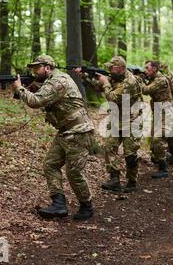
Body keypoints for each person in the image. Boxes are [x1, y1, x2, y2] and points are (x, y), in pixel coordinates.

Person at [12, 55, 95, 220]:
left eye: (37, 67)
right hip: (65, 131)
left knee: (74, 172)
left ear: (48, 67)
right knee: (50, 164)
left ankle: (87, 206)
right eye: (33, 68)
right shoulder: (50, 82)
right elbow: (44, 96)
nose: (34, 71)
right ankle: (59, 204)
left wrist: (20, 88)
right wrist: (29, 87)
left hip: (79, 131)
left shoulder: (58, 81)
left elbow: (36, 101)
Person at [75, 56, 143, 193]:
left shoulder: (130, 81)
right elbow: (98, 88)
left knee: (130, 154)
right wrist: (85, 77)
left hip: (131, 121)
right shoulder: (116, 77)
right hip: (116, 119)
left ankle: (132, 180)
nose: (109, 71)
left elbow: (111, 97)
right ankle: (114, 179)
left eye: (111, 68)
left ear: (121, 69)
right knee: (108, 148)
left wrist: (105, 82)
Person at [142, 60, 173, 178]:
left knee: (158, 139)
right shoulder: (153, 79)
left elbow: (145, 90)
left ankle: (163, 168)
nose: (145, 70)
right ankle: (163, 157)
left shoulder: (160, 80)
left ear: (154, 69)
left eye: (147, 68)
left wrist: (139, 79)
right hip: (158, 113)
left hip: (166, 113)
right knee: (154, 140)